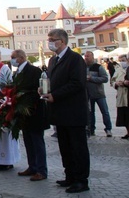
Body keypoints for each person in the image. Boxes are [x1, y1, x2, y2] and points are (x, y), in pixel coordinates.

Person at [41, 29, 90, 193]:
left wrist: (55, 95)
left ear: (61, 41)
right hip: (59, 112)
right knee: (65, 147)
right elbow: (51, 80)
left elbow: (77, 83)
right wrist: (44, 90)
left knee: (78, 147)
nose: (49, 42)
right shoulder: (53, 60)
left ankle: (81, 180)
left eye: (52, 39)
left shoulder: (75, 59)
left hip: (74, 111)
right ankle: (69, 175)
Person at [11, 50, 49, 182]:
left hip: (34, 112)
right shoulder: (17, 73)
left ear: (21, 58)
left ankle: (41, 170)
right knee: (28, 141)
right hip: (23, 114)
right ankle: (32, 166)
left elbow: (38, 91)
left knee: (37, 142)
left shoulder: (34, 71)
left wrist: (23, 98)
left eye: (13, 58)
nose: (12, 60)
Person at [84, 51, 112, 137]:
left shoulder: (98, 67)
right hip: (88, 94)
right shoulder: (83, 67)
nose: (86, 58)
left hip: (99, 93)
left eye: (88, 56)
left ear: (92, 57)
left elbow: (105, 79)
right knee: (90, 113)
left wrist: (92, 78)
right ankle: (91, 129)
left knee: (105, 112)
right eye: (85, 56)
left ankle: (108, 129)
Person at [111, 54, 129, 139]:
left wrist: (125, 83)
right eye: (121, 60)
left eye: (124, 60)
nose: (122, 62)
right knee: (124, 115)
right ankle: (128, 132)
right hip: (121, 95)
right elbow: (112, 81)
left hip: (127, 93)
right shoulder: (118, 70)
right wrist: (116, 84)